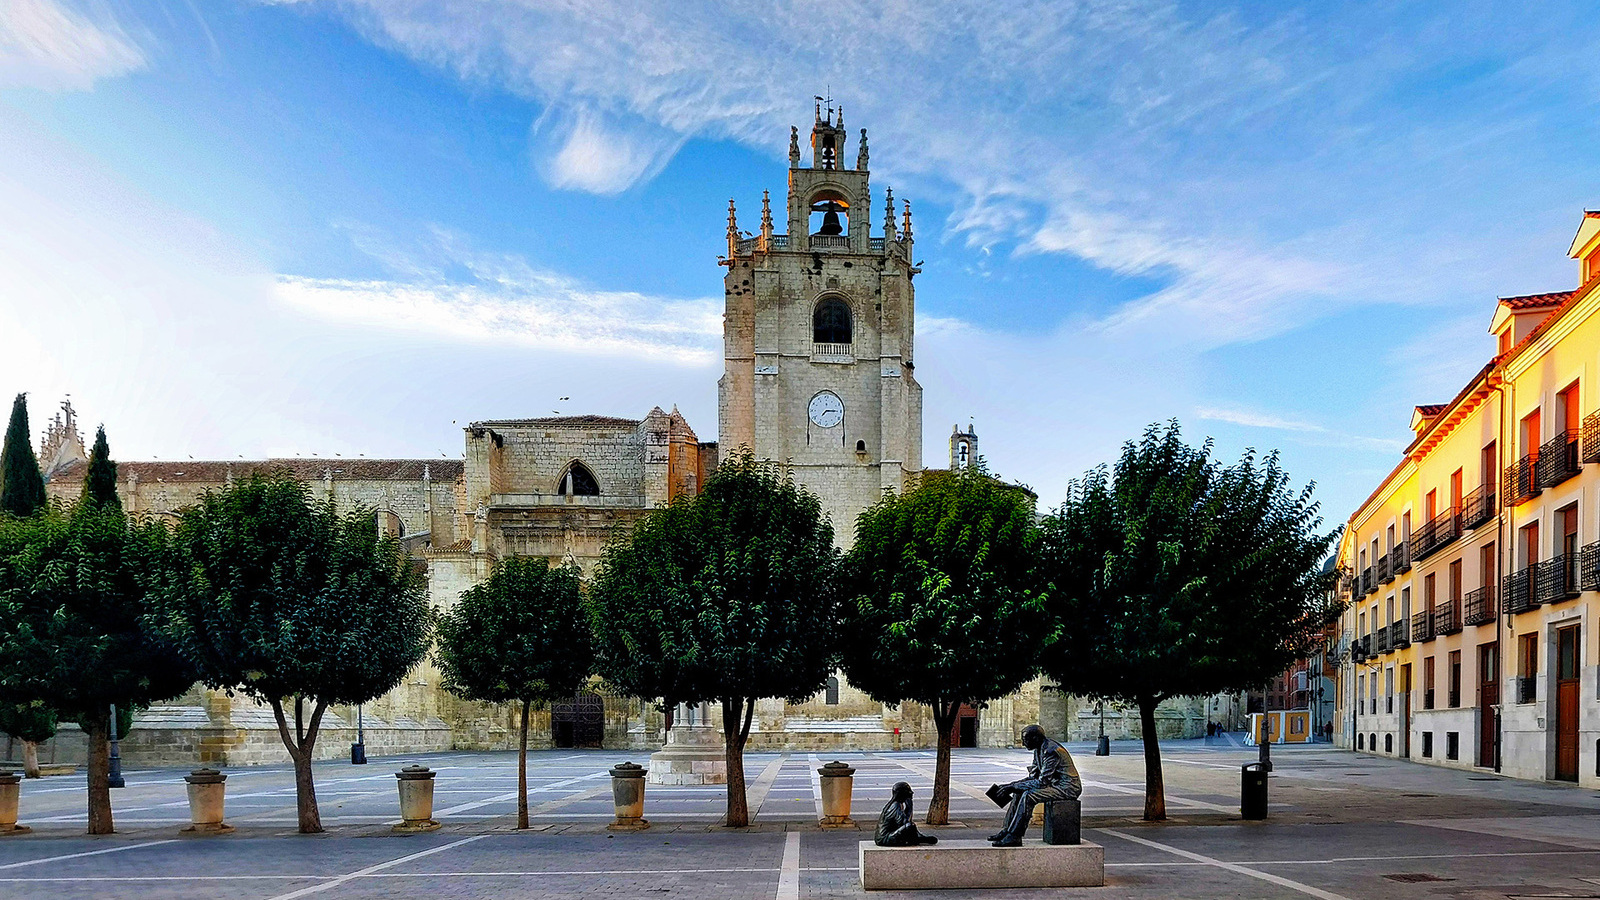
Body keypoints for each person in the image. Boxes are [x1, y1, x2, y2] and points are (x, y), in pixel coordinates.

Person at [987, 724, 1082, 847]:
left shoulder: (1051, 751)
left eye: (1025, 740)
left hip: (1068, 788)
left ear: (1035, 738)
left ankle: (1015, 836)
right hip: (1055, 785)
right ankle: (1007, 830)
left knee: (1029, 796)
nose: (1023, 743)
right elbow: (1033, 777)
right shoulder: (1039, 749)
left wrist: (1013, 787)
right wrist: (1011, 786)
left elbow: (1042, 782)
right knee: (1018, 792)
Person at [874, 781, 939, 846]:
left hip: (887, 835)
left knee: (911, 826)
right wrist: (909, 807)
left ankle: (919, 837)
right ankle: (917, 839)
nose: (912, 793)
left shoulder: (897, 804)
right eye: (909, 791)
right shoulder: (895, 806)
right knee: (910, 826)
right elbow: (904, 823)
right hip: (884, 839)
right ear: (902, 793)